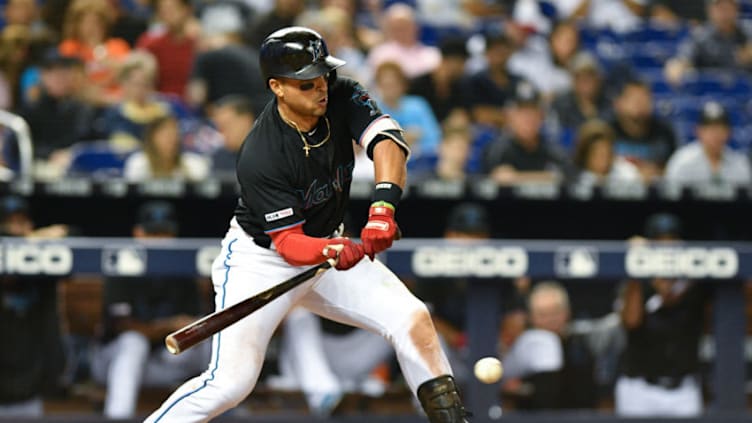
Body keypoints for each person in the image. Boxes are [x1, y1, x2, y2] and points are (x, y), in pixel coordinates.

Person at [144, 26, 470, 423]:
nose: (320, 89)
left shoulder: (341, 93)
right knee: (230, 384)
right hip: (261, 262)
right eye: (306, 84)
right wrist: (332, 249)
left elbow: (388, 141)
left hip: (328, 248)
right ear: (277, 87)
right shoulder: (262, 153)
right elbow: (289, 244)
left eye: (322, 77)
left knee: (412, 318)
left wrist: (383, 209)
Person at [90, 201, 211, 419]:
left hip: (166, 361)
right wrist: (169, 326)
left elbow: (193, 320)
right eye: (153, 233)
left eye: (165, 233)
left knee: (211, 342)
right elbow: (124, 326)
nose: (160, 240)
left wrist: (189, 328)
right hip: (115, 364)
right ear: (138, 233)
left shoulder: (183, 269)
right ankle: (119, 416)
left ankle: (227, 413)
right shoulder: (123, 266)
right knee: (133, 343)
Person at [615, 212, 710, 416]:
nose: (666, 249)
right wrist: (637, 268)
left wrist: (674, 285)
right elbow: (631, 321)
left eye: (672, 241)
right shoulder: (636, 282)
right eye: (659, 242)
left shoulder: (694, 278)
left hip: (683, 391)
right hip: (639, 389)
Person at [0, 195, 68, 418]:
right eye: (9, 224)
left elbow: (68, 233)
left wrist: (30, 243)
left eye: (22, 223)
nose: (16, 230)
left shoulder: (43, 266)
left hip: (29, 394)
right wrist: (30, 240)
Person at [664, 100, 752, 187]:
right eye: (710, 129)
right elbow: (671, 197)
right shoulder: (682, 162)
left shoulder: (739, 164)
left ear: (728, 132)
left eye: (720, 128)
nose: (715, 134)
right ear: (698, 131)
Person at [123, 113, 210, 182]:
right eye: (166, 135)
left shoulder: (194, 164)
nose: (171, 140)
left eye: (174, 134)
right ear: (152, 139)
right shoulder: (138, 163)